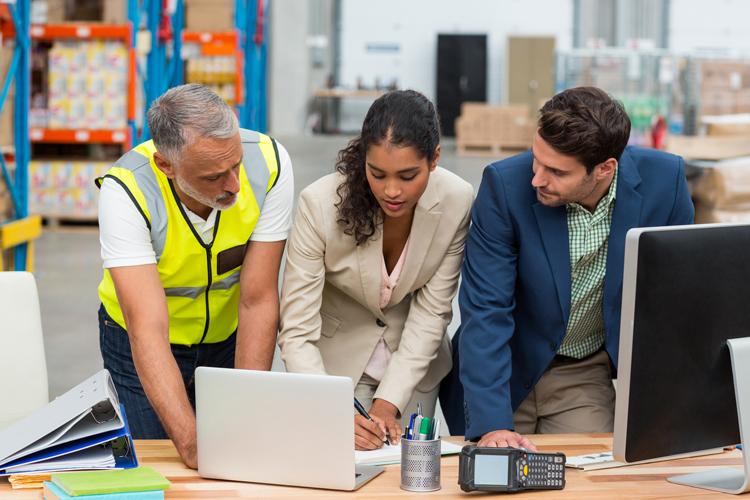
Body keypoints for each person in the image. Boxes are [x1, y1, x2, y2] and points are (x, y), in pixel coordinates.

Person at [440, 86, 694, 448]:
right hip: (502, 366)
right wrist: (493, 425)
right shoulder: (504, 187)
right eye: (536, 158)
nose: (537, 179)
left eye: (556, 171)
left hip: (582, 369)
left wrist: (675, 412)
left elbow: (674, 305)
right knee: (494, 478)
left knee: (589, 481)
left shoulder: (663, 184)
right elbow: (486, 310)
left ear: (605, 169)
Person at [96, 84, 294, 467]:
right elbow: (147, 329)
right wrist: (190, 443)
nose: (234, 186)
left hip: (228, 337)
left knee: (236, 456)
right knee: (159, 469)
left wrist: (247, 411)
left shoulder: (269, 164)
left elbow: (258, 298)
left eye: (235, 164)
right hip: (142, 343)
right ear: (165, 165)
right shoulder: (126, 190)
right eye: (213, 177)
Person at [278, 90, 473, 450]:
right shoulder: (319, 205)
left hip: (413, 373)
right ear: (362, 159)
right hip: (333, 371)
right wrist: (330, 409)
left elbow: (433, 313)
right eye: (377, 174)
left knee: (408, 479)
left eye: (408, 175)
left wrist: (389, 403)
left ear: (435, 159)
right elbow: (297, 330)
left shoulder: (457, 200)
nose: (392, 190)